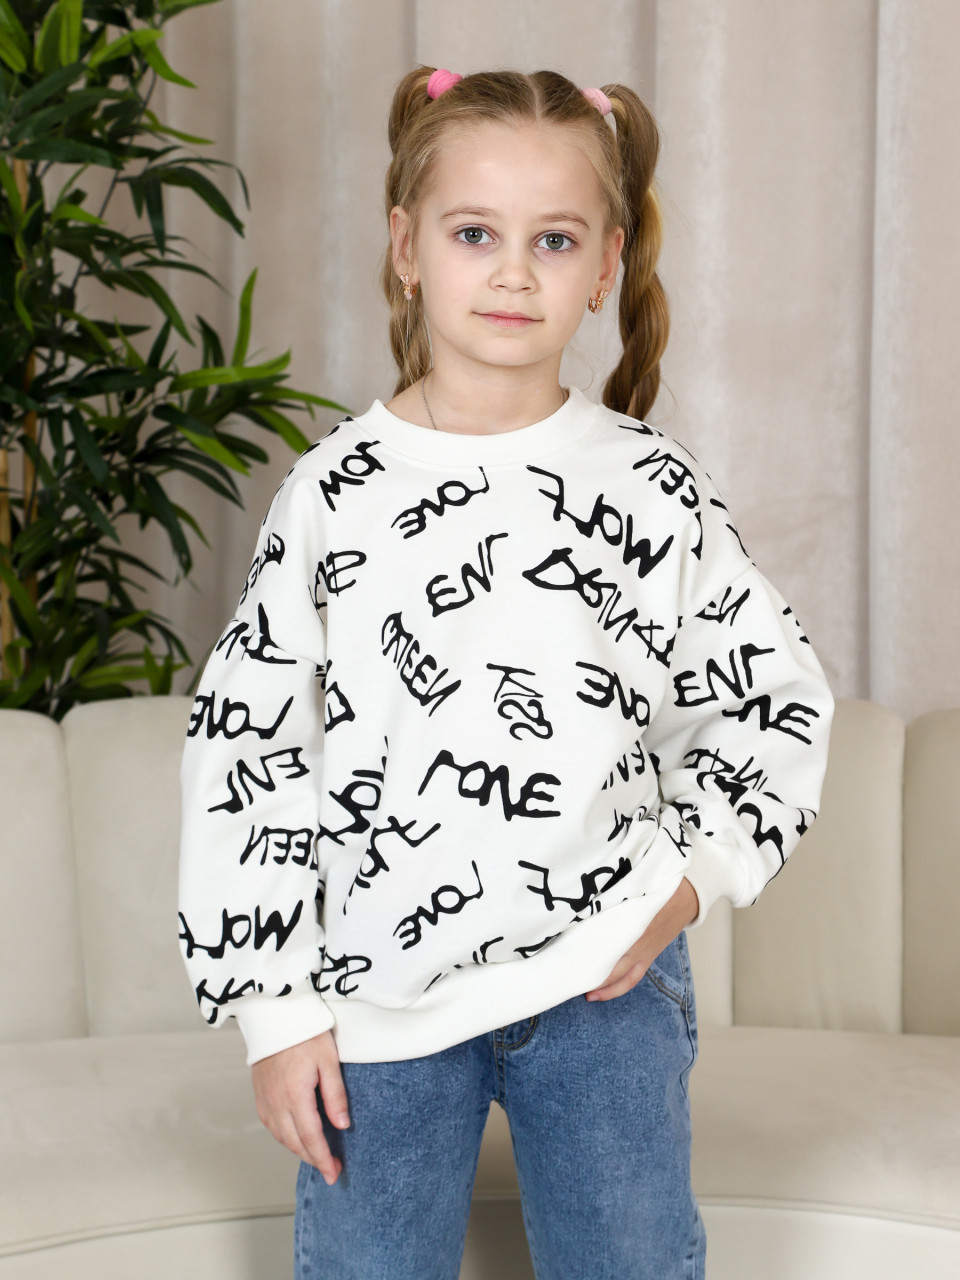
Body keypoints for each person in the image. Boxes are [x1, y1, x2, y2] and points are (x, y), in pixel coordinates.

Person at [177, 64, 835, 1280]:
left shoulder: (653, 488)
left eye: (555, 239)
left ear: (606, 264)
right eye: (475, 233)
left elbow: (774, 698)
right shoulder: (332, 496)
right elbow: (249, 749)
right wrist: (274, 1007)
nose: (515, 272)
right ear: (406, 247)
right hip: (376, 1001)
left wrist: (689, 877)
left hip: (605, 989)